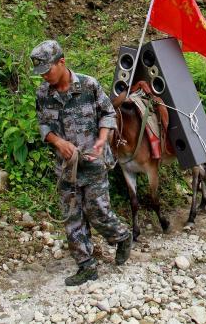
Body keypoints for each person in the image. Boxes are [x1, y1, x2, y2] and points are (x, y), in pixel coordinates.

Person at [31, 40, 132, 286]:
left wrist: (101, 139)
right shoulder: (44, 93)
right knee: (72, 217)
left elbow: (108, 113)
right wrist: (57, 142)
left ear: (61, 62)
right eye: (41, 72)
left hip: (94, 163)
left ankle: (122, 236)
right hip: (68, 167)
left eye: (47, 70)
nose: (44, 76)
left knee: (98, 213)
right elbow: (43, 125)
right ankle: (86, 266)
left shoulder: (89, 85)